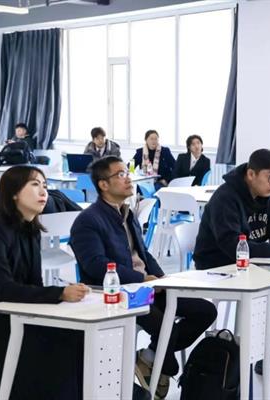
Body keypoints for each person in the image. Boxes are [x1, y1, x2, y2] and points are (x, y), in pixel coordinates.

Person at [69, 156, 217, 399]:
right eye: (120, 175)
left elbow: (143, 254)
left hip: (146, 287)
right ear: (103, 184)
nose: (128, 179)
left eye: (127, 173)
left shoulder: (127, 214)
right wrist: (141, 280)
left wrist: (160, 278)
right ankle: (161, 362)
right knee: (164, 324)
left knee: (205, 311)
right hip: (118, 293)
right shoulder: (88, 221)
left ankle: (149, 357)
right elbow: (95, 265)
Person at [0, 166, 89, 399]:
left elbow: (33, 284)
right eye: (35, 185)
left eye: (45, 185)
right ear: (14, 193)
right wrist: (59, 293)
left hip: (18, 318)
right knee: (65, 348)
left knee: (78, 338)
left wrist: (64, 298)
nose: (44, 192)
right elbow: (4, 289)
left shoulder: (31, 231)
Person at [193, 149, 270, 383]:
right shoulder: (226, 198)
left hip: (249, 262)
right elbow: (230, 244)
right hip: (218, 265)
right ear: (251, 174)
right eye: (269, 177)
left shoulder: (268, 196)